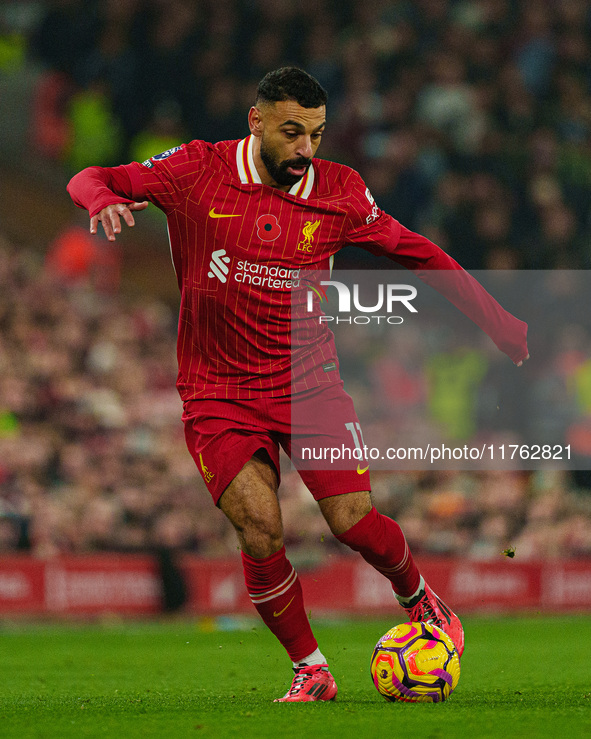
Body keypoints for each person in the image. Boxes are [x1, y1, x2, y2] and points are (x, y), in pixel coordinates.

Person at [67, 67, 529, 702]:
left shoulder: (340, 191)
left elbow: (419, 252)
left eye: (315, 134)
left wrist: (498, 321)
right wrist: (101, 200)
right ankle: (311, 669)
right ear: (256, 121)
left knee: (352, 521)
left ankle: (421, 599)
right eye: (292, 132)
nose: (305, 149)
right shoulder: (198, 169)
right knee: (259, 528)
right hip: (218, 393)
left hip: (310, 387)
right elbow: (91, 176)